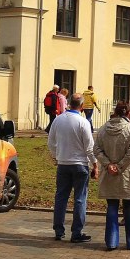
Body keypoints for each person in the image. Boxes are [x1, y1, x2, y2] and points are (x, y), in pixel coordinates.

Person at [47, 92, 97, 243]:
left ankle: (58, 230)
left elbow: (51, 142)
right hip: (80, 164)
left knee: (61, 197)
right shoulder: (83, 122)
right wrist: (95, 164)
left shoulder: (58, 120)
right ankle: (76, 232)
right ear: (82, 106)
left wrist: (57, 156)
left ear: (69, 103)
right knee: (80, 199)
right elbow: (89, 147)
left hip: (63, 164)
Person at [94, 102, 130, 250]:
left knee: (112, 207)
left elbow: (96, 149)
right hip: (128, 173)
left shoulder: (103, 129)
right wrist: (119, 166)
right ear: (127, 113)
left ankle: (111, 241)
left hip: (110, 173)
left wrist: (108, 164)